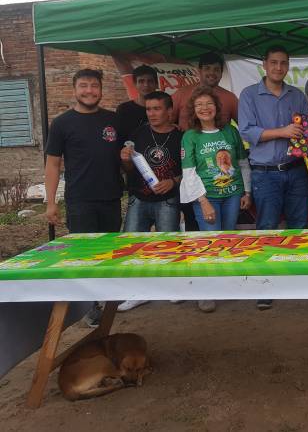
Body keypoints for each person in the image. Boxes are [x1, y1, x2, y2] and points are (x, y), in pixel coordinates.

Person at [45, 69, 124, 327]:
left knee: (109, 252)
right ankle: (90, 307)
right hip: (80, 200)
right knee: (84, 255)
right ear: (74, 89)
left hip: (111, 198)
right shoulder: (62, 123)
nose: (89, 90)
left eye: (94, 85)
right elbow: (53, 164)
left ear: (101, 89)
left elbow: (126, 156)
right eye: (83, 85)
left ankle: (108, 300)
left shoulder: (113, 120)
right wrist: (51, 202)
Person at [238, 45, 308, 311]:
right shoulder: (249, 95)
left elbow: (307, 129)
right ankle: (265, 285)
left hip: (296, 170)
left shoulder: (297, 95)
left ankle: (295, 281)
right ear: (264, 65)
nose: (279, 68)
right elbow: (247, 131)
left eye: (283, 63)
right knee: (267, 228)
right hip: (265, 173)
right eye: (274, 62)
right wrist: (282, 132)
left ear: (288, 66)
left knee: (298, 225)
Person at [178, 87, 251, 313]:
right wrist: (203, 202)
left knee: (227, 240)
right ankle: (205, 292)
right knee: (209, 243)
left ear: (216, 108)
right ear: (193, 110)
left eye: (209, 104)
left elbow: (242, 163)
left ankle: (224, 286)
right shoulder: (190, 136)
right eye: (199, 105)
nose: (204, 108)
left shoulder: (230, 131)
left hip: (233, 195)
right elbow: (189, 172)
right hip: (206, 197)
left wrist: (247, 192)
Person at [118, 91, 183, 312]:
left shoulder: (180, 137)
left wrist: (172, 182)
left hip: (167, 200)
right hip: (139, 198)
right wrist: (125, 160)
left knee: (169, 247)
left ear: (169, 111)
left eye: (157, 109)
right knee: (133, 246)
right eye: (148, 109)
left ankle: (171, 288)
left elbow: (189, 170)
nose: (152, 113)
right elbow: (129, 168)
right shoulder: (138, 134)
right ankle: (137, 293)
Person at [172, 53, 239, 231]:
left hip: (222, 178)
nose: (212, 73)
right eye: (207, 68)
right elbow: (167, 122)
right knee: (194, 224)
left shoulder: (230, 98)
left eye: (216, 69)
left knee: (226, 231)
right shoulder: (182, 94)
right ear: (199, 70)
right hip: (189, 168)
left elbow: (244, 127)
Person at [116, 65, 158, 138]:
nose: (146, 85)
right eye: (141, 81)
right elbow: (119, 137)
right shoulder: (124, 109)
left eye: (150, 81)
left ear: (156, 84)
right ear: (135, 84)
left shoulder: (164, 109)